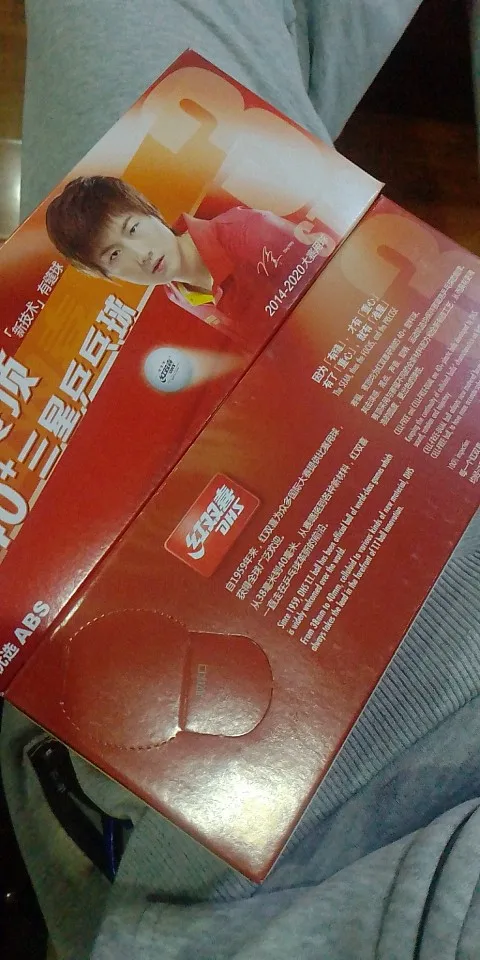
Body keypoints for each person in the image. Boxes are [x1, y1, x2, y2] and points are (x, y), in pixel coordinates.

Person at [2, 2, 480, 958]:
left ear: (151, 214)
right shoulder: (184, 294)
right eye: (115, 260)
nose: (134, 257)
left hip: (256, 812)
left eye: (129, 234)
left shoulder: (239, 237)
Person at [45, 174, 335, 345]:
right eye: (115, 255)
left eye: (133, 229)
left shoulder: (248, 230)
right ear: (107, 274)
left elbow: (334, 283)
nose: (142, 255)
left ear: (151, 211)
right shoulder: (178, 295)